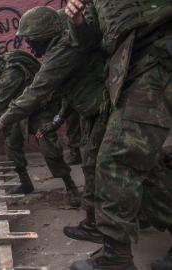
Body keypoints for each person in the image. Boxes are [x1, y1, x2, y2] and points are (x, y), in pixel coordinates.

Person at [0, 6, 110, 233]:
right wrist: (56, 122)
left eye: (31, 40)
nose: (29, 46)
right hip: (84, 111)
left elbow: (33, 94)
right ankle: (94, 221)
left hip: (71, 110)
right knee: (94, 165)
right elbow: (68, 96)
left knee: (100, 163)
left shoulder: (60, 52)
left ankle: (79, 197)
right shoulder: (58, 49)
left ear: (43, 36)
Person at [64, 1, 172, 269]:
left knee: (117, 160)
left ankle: (116, 260)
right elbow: (93, 39)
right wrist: (78, 22)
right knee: (146, 168)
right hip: (130, 66)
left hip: (158, 54)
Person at [0, 43, 80, 206]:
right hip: (19, 111)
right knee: (12, 145)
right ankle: (25, 183)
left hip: (38, 109)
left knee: (48, 147)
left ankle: (71, 187)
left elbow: (0, 101)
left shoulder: (10, 72)